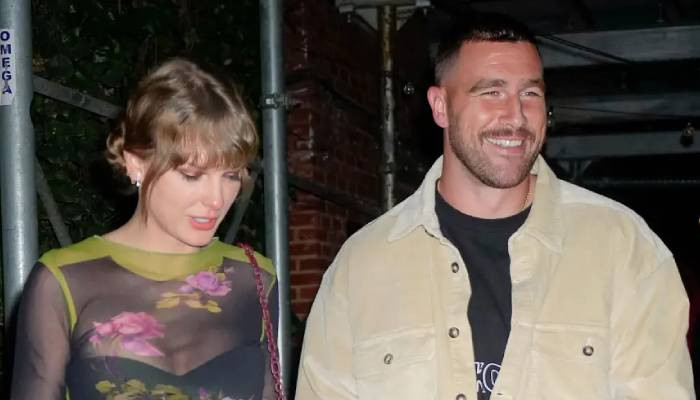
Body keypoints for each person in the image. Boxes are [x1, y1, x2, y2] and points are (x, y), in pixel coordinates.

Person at [295, 13, 695, 400]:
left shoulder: (623, 248)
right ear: (440, 106)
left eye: (530, 93)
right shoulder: (362, 266)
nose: (516, 116)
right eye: (492, 92)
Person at [11, 58, 282, 400]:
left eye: (230, 175)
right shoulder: (64, 279)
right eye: (192, 175)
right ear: (135, 163)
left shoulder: (254, 279)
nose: (217, 199)